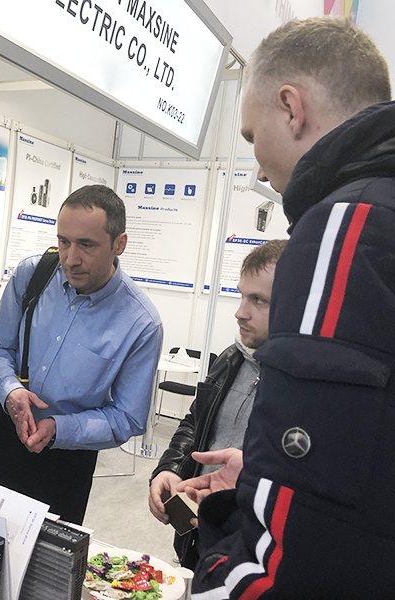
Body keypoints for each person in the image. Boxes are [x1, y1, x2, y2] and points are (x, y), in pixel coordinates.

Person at [186, 17, 395, 598]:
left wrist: (221, 579)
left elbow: (311, 517)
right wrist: (263, 472)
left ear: (291, 107)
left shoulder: (345, 226)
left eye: (253, 136)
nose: (258, 167)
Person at [0, 184, 163, 524]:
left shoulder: (140, 323)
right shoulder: (34, 274)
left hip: (67, 461)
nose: (71, 258)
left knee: (47, 554)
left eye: (86, 245)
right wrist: (10, 389)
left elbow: (128, 417)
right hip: (4, 433)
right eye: (64, 241)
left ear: (119, 244)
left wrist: (59, 428)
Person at [148, 239, 286, 569]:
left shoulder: (307, 387)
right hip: (200, 532)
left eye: (259, 300)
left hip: (255, 551)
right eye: (241, 295)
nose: (240, 312)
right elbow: (195, 423)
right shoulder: (231, 358)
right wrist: (170, 469)